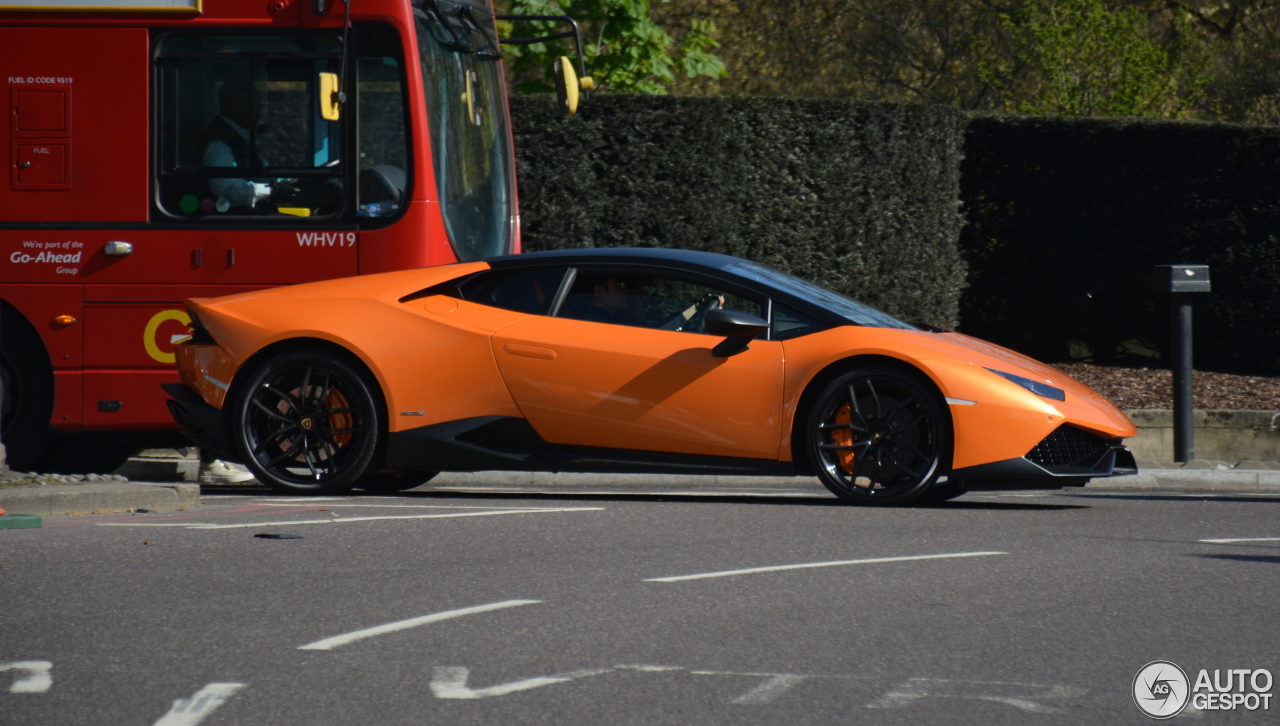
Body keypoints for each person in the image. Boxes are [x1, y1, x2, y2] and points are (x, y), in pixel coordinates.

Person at [200, 80, 278, 211]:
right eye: (255, 102)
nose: (260, 108)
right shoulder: (219, 142)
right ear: (236, 104)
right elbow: (227, 190)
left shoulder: (238, 136)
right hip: (235, 218)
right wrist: (271, 191)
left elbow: (251, 169)